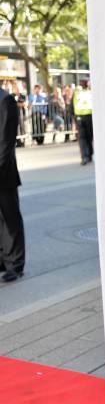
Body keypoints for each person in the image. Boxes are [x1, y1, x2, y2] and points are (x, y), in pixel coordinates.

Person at [0, 84, 25, 282]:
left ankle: (15, 264)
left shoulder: (5, 100)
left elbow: (6, 141)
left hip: (3, 171)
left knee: (10, 218)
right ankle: (3, 259)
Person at [73, 80, 93, 165]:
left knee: (82, 139)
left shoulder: (77, 94)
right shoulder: (90, 93)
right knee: (89, 138)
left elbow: (71, 107)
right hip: (89, 117)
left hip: (79, 118)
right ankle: (89, 154)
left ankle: (84, 156)